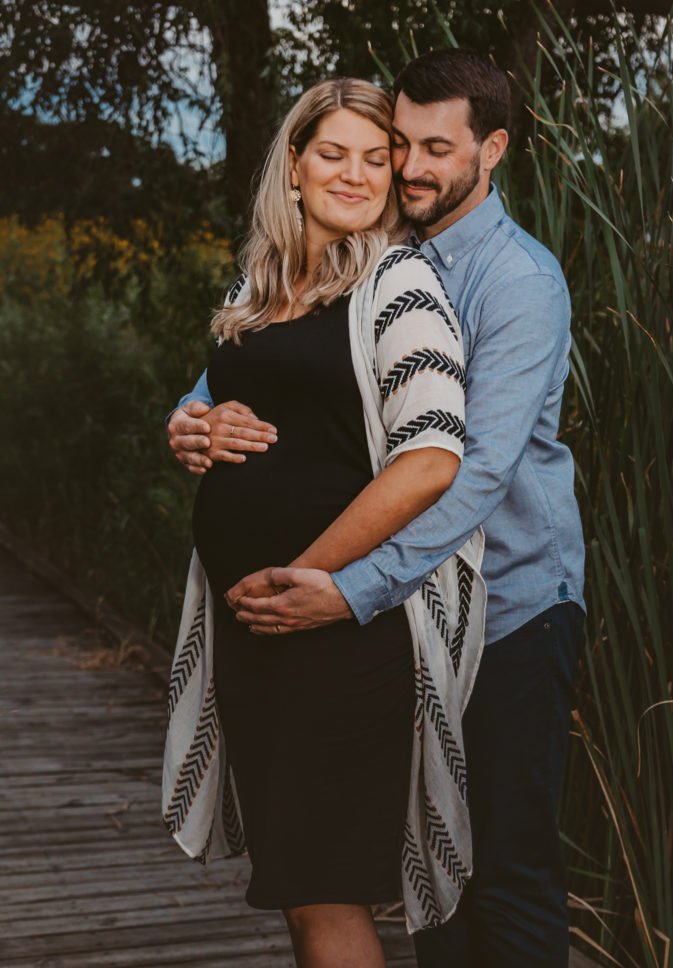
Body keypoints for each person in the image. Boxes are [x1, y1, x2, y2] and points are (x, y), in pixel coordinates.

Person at [169, 49, 586, 968]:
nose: (408, 167)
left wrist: (342, 587)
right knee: (431, 870)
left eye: (436, 148)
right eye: (402, 143)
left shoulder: (513, 281)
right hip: (405, 608)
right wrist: (190, 420)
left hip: (509, 603)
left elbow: (462, 470)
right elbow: (236, 367)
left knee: (503, 870)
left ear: (494, 150)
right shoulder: (363, 253)